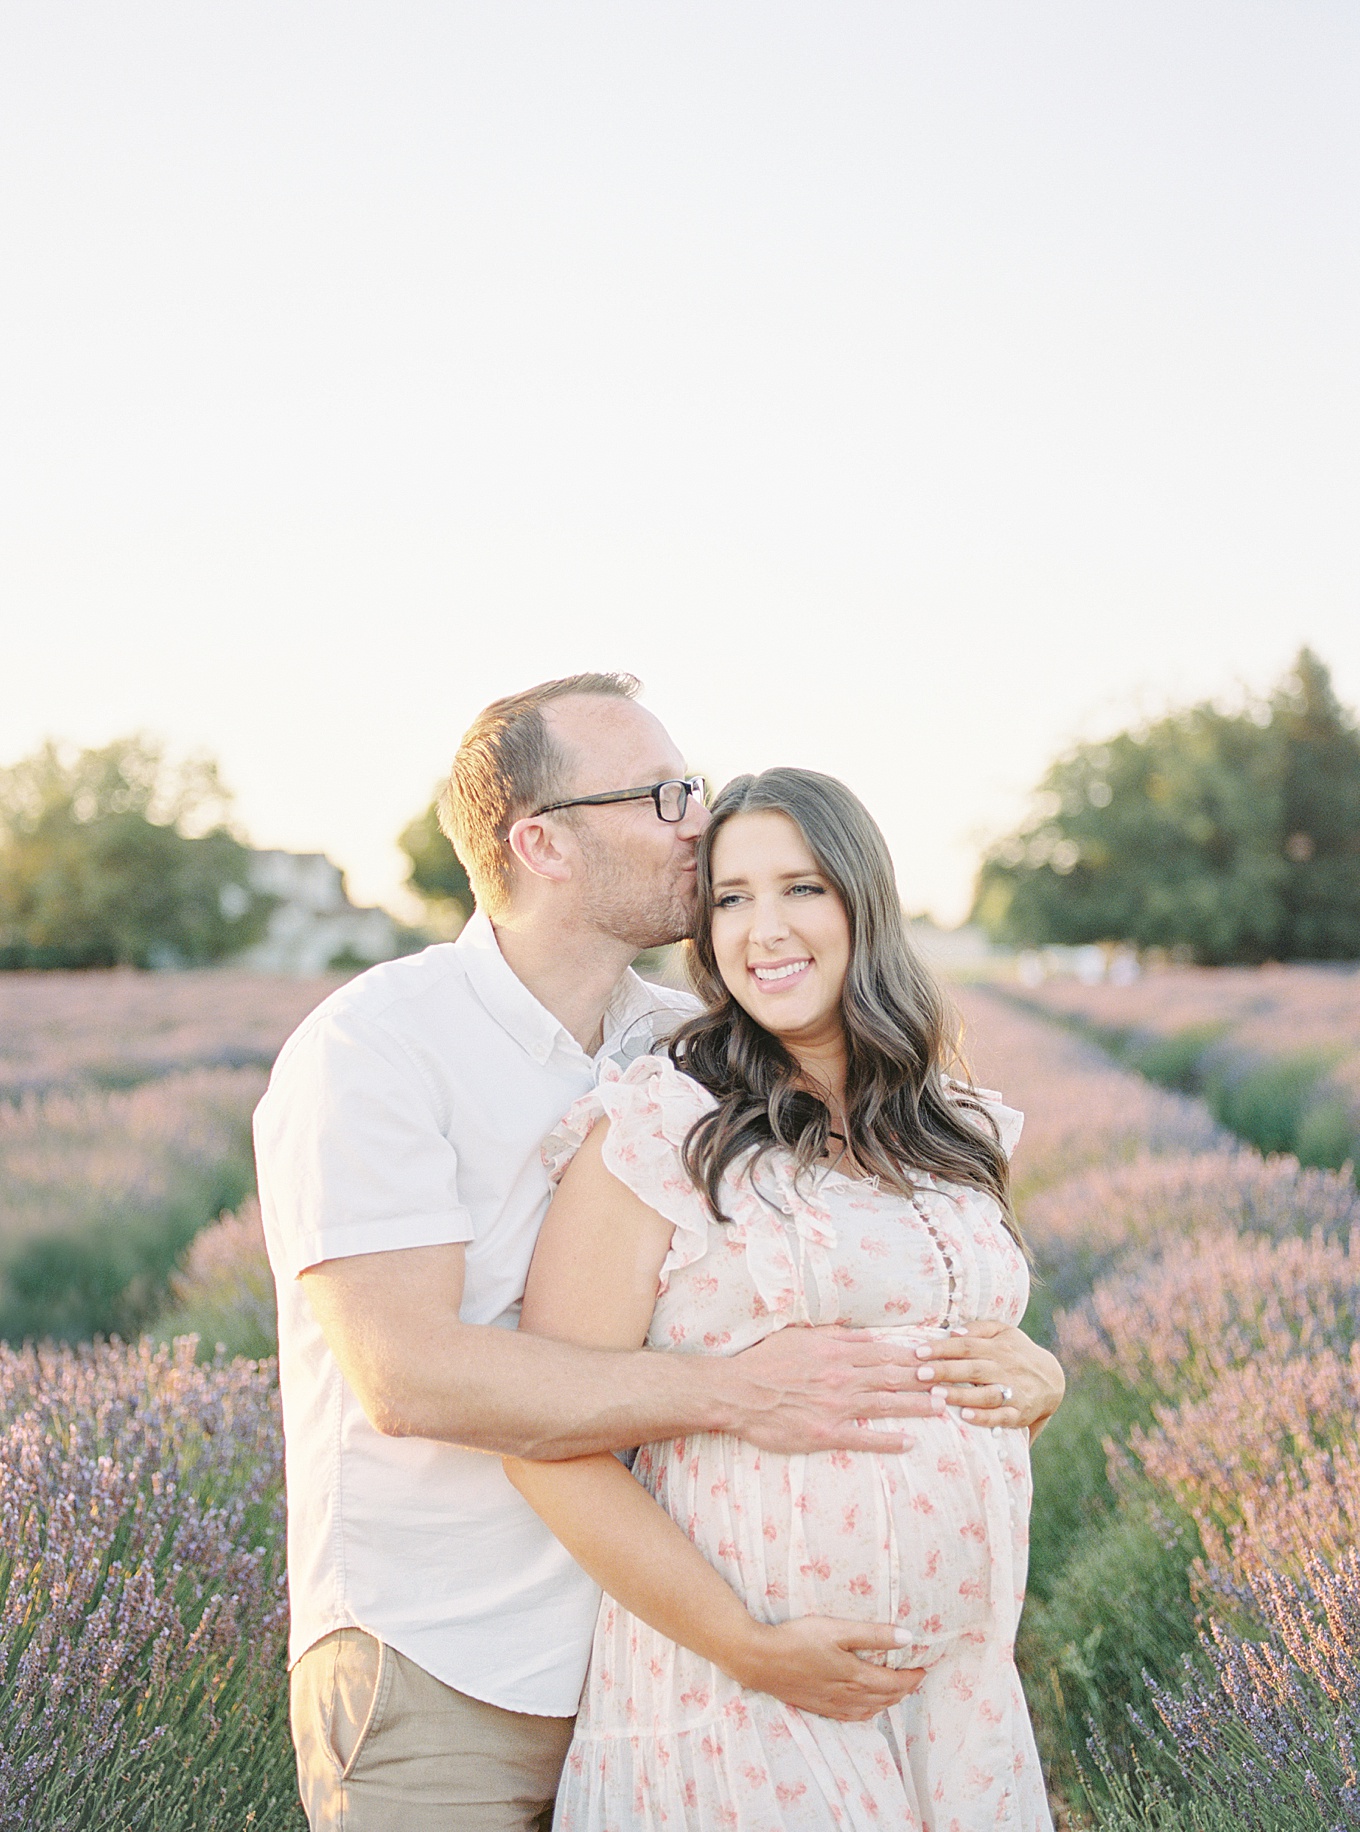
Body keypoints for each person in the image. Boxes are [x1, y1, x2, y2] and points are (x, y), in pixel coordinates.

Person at [254, 673, 1064, 1831]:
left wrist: (1032, 1371)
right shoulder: (377, 1047)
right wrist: (736, 1396)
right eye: (663, 795)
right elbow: (407, 1376)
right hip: (448, 1657)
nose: (699, 814)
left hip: (646, 1638)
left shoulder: (677, 1051)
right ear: (543, 842)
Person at [506, 766, 1059, 1830]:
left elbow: (952, 1346)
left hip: (958, 1704)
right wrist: (744, 1643)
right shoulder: (660, 1125)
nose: (764, 928)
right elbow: (547, 1437)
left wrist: (1043, 1373)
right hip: (742, 1700)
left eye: (800, 887)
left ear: (862, 899)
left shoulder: (949, 1127)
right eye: (729, 897)